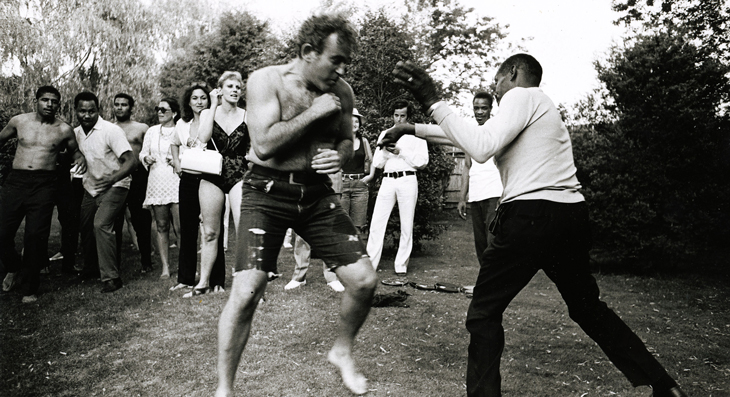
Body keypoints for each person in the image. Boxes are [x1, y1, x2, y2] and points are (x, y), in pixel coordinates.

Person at [384, 54, 688, 397]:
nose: (496, 91)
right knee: (588, 308)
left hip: (529, 218)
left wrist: (430, 97)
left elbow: (480, 148)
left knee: (484, 312)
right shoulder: (540, 109)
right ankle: (664, 385)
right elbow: (475, 135)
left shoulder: (521, 96)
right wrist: (413, 129)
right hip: (570, 218)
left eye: (498, 82)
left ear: (513, 73)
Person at [215, 14, 378, 396]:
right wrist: (316, 112)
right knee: (247, 292)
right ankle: (224, 389)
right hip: (265, 192)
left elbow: (347, 140)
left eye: (345, 64)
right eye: (334, 61)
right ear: (308, 52)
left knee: (364, 281)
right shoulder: (266, 81)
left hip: (317, 194)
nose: (340, 71)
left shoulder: (343, 92)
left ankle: (342, 351)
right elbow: (265, 144)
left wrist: (339, 156)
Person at [0, 86, 87, 302]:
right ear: (36, 100)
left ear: (59, 104)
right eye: (45, 100)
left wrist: (80, 158)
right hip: (16, 181)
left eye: (54, 101)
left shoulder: (63, 129)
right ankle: (13, 266)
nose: (49, 104)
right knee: (1, 232)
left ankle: (29, 288)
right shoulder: (19, 121)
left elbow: (75, 151)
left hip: (44, 184)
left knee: (35, 236)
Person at [184, 71, 249, 298]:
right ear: (220, 89)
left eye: (238, 87)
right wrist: (211, 105)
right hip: (212, 173)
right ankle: (203, 283)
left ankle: (247, 284)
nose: (234, 90)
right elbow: (202, 138)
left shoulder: (247, 115)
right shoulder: (208, 112)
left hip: (240, 175)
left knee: (243, 231)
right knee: (210, 232)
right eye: (230, 86)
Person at [75, 91, 137, 293]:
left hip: (116, 185)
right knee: (85, 227)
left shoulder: (111, 130)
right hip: (91, 187)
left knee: (101, 224)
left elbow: (131, 161)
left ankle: (112, 278)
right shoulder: (76, 133)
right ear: (76, 111)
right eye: (82, 111)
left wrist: (113, 178)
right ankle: (91, 267)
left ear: (98, 110)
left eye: (91, 111)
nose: (86, 115)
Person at [170, 83, 227, 291]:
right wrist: (177, 163)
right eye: (195, 98)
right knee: (187, 229)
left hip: (210, 178)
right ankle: (185, 278)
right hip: (188, 179)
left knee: (213, 230)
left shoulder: (215, 119)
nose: (199, 102)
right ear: (188, 101)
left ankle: (216, 281)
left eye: (203, 98)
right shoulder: (181, 124)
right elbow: (174, 143)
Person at [365, 100, 428, 275]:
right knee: (377, 222)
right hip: (388, 180)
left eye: (402, 115)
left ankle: (401, 266)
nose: (399, 119)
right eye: (396, 115)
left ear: (408, 116)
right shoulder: (385, 133)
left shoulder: (417, 134)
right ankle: (371, 264)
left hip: (407, 179)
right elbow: (377, 163)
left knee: (406, 225)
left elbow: (423, 162)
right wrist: (386, 151)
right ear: (392, 115)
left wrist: (401, 151)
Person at [457, 91, 503, 268]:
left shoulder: (497, 131)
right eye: (476, 108)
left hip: (494, 194)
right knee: (480, 244)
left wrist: (504, 194)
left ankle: (495, 285)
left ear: (491, 109)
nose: (480, 112)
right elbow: (467, 166)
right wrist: (462, 198)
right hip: (475, 196)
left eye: (484, 108)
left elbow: (505, 164)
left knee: (493, 242)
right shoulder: (470, 133)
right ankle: (486, 285)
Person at [284, 171, 347, 293]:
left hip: (332, 178)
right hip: (304, 180)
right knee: (302, 227)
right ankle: (299, 277)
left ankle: (332, 276)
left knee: (331, 227)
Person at [140, 98, 182, 279]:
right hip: (157, 181)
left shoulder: (181, 129)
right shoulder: (151, 131)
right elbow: (143, 152)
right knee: (161, 225)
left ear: (174, 113)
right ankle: (165, 267)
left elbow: (189, 152)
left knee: (180, 228)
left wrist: (178, 161)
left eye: (164, 109)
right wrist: (145, 159)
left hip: (177, 181)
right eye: (158, 109)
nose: (160, 112)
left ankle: (184, 265)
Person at [113, 93, 153, 274]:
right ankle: (115, 263)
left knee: (141, 219)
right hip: (116, 176)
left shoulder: (141, 128)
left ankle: (146, 260)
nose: (120, 108)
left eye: (124, 105)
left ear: (131, 108)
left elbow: (150, 151)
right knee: (115, 220)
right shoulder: (109, 129)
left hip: (138, 176)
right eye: (117, 104)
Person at [342, 108, 373, 234]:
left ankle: (356, 253)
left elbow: (372, 161)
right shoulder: (341, 142)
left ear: (359, 124)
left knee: (357, 226)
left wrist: (370, 176)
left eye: (356, 121)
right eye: (351, 121)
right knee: (342, 224)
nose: (354, 124)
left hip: (360, 186)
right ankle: (342, 253)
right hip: (342, 185)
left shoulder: (364, 141)